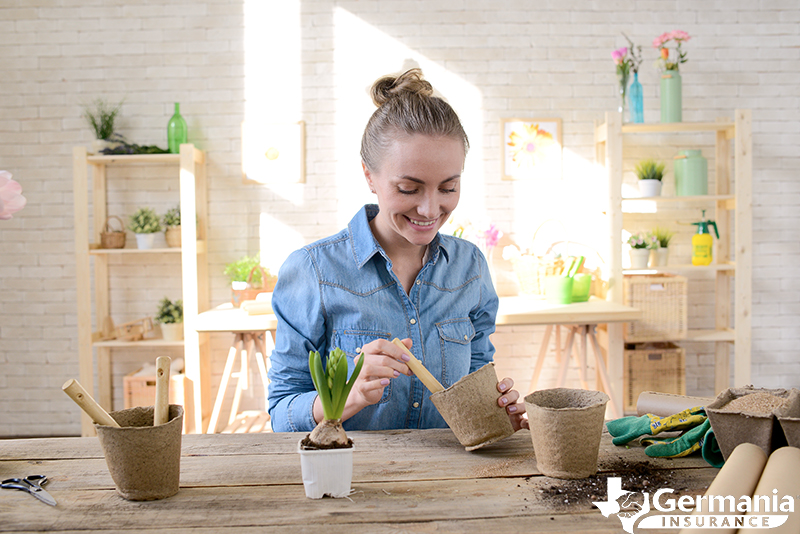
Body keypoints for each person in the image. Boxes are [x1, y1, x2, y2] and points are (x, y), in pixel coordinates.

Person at [267, 68, 528, 433]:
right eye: (409, 188)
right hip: (352, 481)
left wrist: (497, 416)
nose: (429, 209)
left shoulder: (470, 266)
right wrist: (347, 396)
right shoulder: (313, 270)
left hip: (449, 482)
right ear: (368, 175)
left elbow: (476, 386)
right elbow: (281, 413)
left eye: (448, 187)